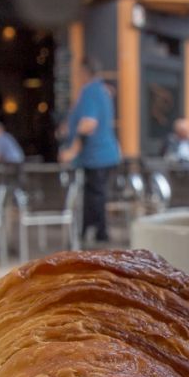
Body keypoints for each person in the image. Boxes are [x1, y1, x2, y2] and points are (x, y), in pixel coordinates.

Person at [59, 57, 121, 243]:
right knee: (95, 195)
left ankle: (95, 234)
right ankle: (91, 232)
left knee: (95, 196)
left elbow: (88, 125)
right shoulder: (102, 91)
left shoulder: (91, 91)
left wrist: (72, 150)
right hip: (105, 154)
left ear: (85, 72)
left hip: (96, 155)